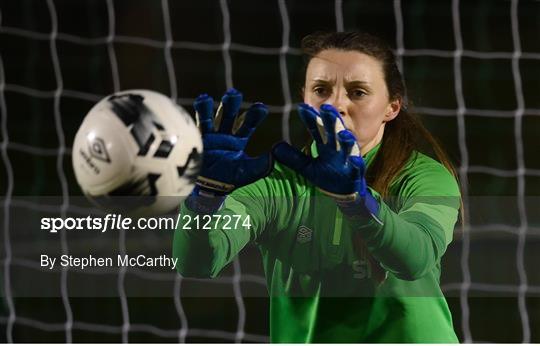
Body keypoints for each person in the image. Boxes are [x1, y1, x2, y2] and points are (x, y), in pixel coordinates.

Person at [173, 31, 462, 343]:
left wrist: (357, 201)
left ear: (392, 107)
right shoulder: (275, 183)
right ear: (304, 99)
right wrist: (205, 199)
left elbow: (414, 259)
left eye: (358, 92)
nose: (336, 104)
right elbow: (195, 263)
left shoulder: (423, 176)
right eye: (321, 90)